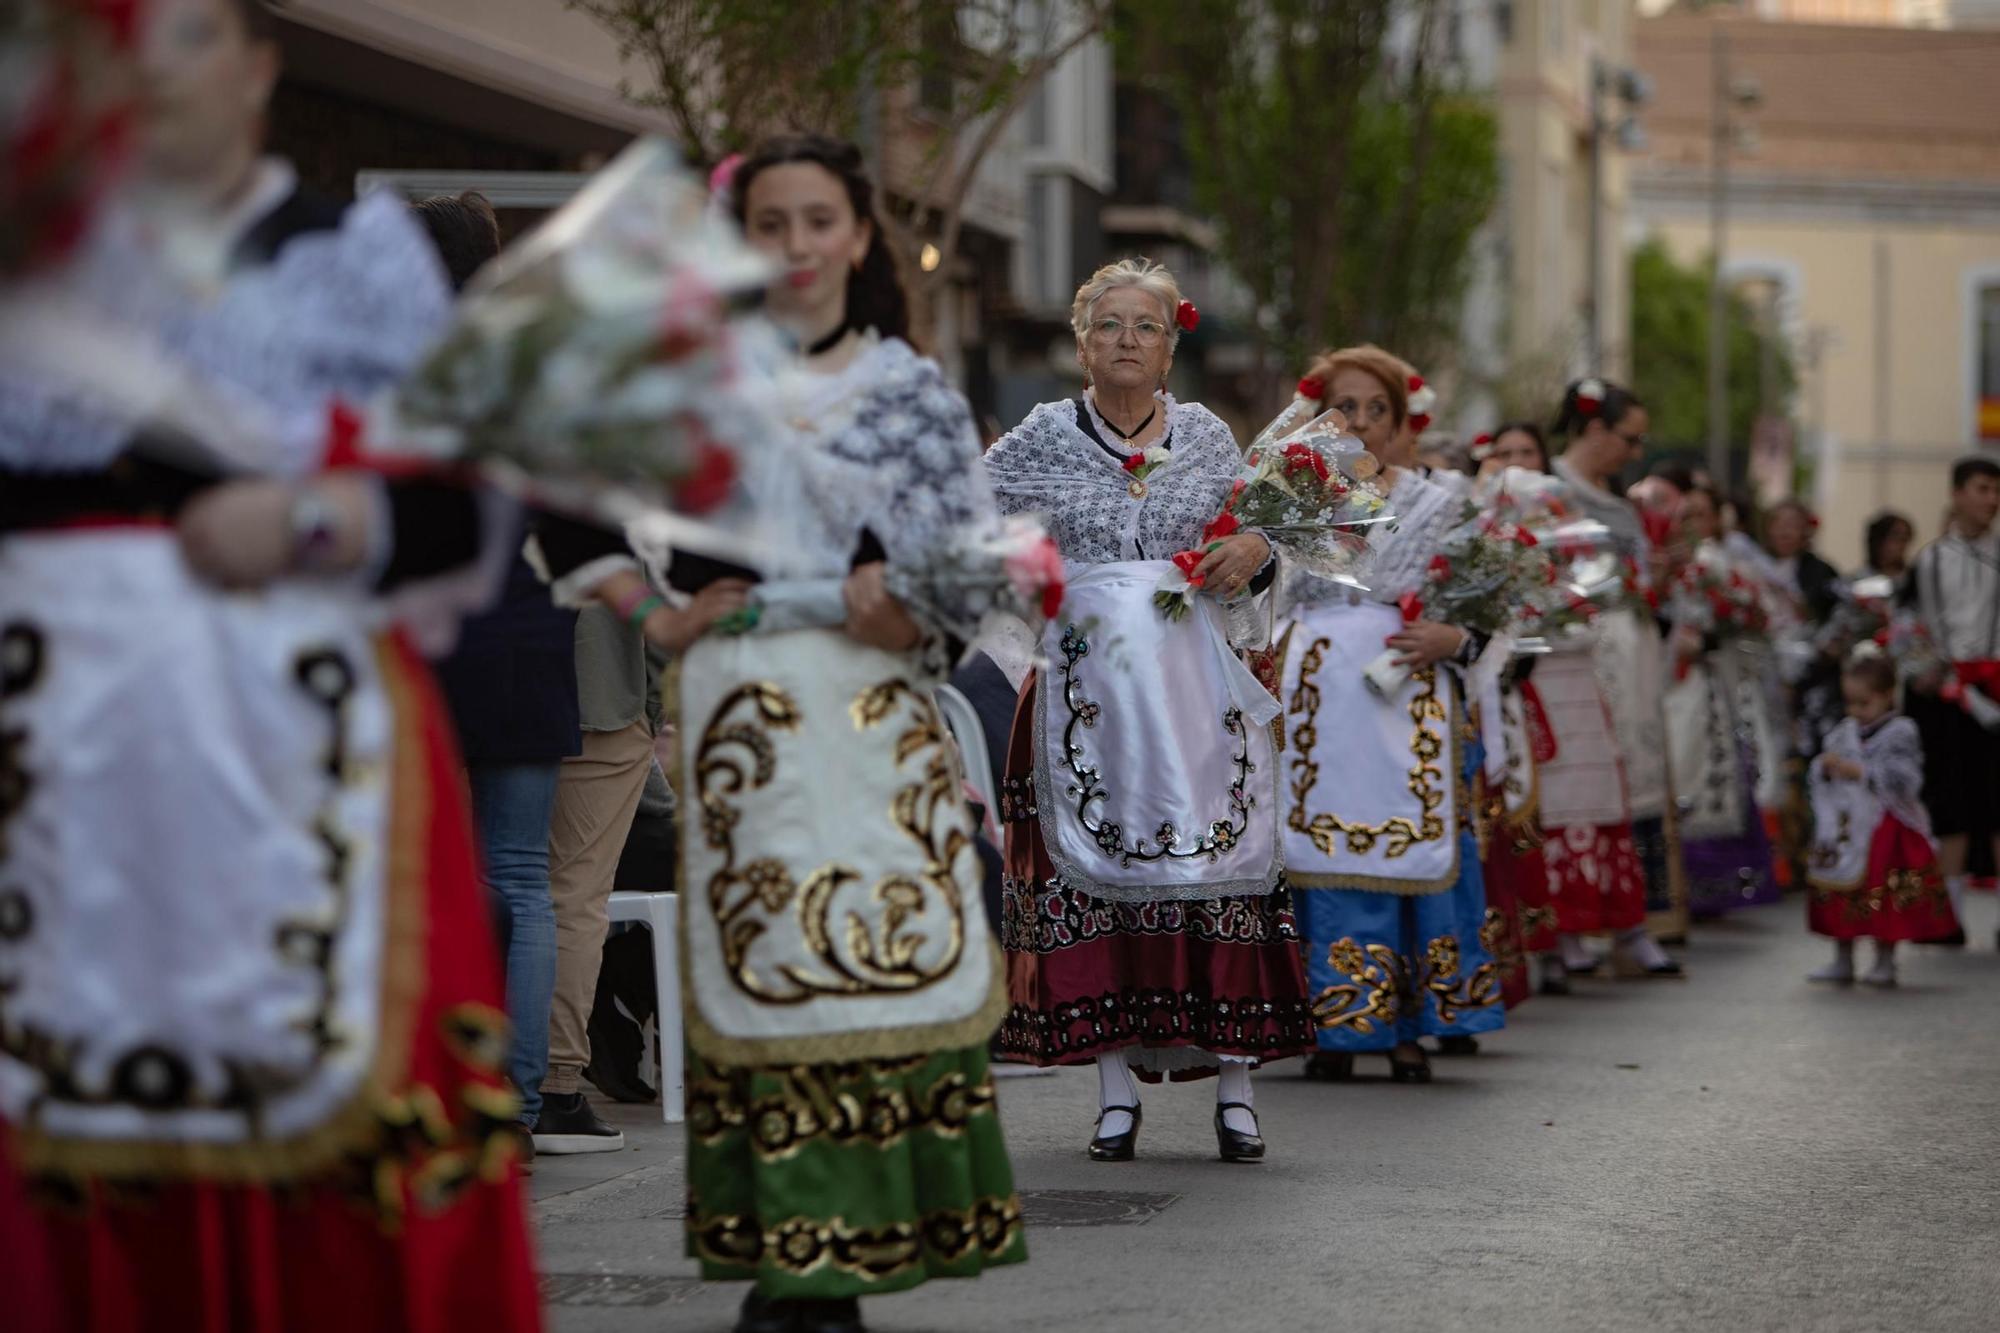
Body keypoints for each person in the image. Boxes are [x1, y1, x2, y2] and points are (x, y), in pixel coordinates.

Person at [0, 0, 541, 1326]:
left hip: (299, 743)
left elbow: (457, 507)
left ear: (256, 66)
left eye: (182, 32)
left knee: (322, 1092)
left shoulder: (350, 255)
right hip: (59, 752)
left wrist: (310, 518)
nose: (145, 67)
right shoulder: (34, 261)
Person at [674, 134, 1025, 1333]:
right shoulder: (695, 387)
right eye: (769, 223)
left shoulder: (909, 391)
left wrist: (904, 605)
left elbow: (967, 568)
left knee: (856, 962)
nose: (795, 247)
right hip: (739, 722)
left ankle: (837, 1263)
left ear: (859, 238)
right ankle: (787, 1256)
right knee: (766, 965)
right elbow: (636, 548)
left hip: (868, 720)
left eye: (817, 220)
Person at [985, 257, 1313, 1154]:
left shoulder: (1208, 436)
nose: (1127, 341)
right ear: (1081, 343)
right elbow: (966, 525)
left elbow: (1272, 538)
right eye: (1109, 326)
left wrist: (1254, 545)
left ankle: (1237, 1086)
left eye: (1147, 328)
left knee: (1216, 873)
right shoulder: (1041, 438)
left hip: (1192, 689)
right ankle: (1113, 1086)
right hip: (1083, 690)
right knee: (1092, 885)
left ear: (1171, 349)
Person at [1279, 345, 1505, 1082]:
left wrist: (1455, 637)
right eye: (1346, 407)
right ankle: (1329, 1021)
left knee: (1412, 844)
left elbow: (1487, 604)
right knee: (1314, 849)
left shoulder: (1442, 503)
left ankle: (1408, 1019)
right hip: (1316, 702)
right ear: (1320, 416)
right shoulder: (1289, 495)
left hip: (1407, 696)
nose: (1363, 423)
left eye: (1379, 409)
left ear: (1404, 421)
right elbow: (1253, 601)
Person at [418, 190, 580, 1166]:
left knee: (431, 872)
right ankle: (518, 1102)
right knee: (522, 876)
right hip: (528, 639)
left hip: (428, 646)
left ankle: (446, 1088)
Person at [1541, 378, 1685, 977]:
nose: (1635, 452)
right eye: (1629, 438)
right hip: (1570, 653)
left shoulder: (1621, 505)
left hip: (1631, 650)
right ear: (1595, 428)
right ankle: (1565, 930)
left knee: (1634, 778)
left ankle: (1631, 921)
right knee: (1571, 786)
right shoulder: (1548, 489)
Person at [1806, 652, 1957, 984]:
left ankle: (1885, 960)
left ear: (1888, 695)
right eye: (1851, 703)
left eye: (1864, 703)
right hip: (1848, 829)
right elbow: (1822, 768)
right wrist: (1827, 768)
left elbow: (1907, 780)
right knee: (1841, 892)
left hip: (1885, 831)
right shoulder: (1844, 731)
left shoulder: (1901, 731)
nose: (1856, 712)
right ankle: (1842, 957)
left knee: (1883, 895)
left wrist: (1861, 772)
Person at [1663, 485, 1779, 917]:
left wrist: (1715, 629)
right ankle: (1676, 881)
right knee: (1680, 766)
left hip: (1709, 679)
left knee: (1711, 768)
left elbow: (1755, 613)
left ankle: (1716, 883)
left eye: (1700, 514)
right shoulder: (1666, 564)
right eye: (1683, 514)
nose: (1692, 523)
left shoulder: (1721, 563)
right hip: (1671, 685)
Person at [1904, 455, 2000, 947]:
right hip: (1949, 693)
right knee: (1952, 803)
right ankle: (1948, 916)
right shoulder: (1932, 559)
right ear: (1958, 493)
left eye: (1995, 490)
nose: (1991, 500)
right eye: (1982, 489)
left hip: (1996, 683)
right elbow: (1917, 629)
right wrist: (1936, 676)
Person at [1859, 511, 1915, 581]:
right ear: (1879, 541)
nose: (1901, 545)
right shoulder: (1860, 581)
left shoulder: (1913, 579)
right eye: (1896, 538)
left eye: (1905, 539)